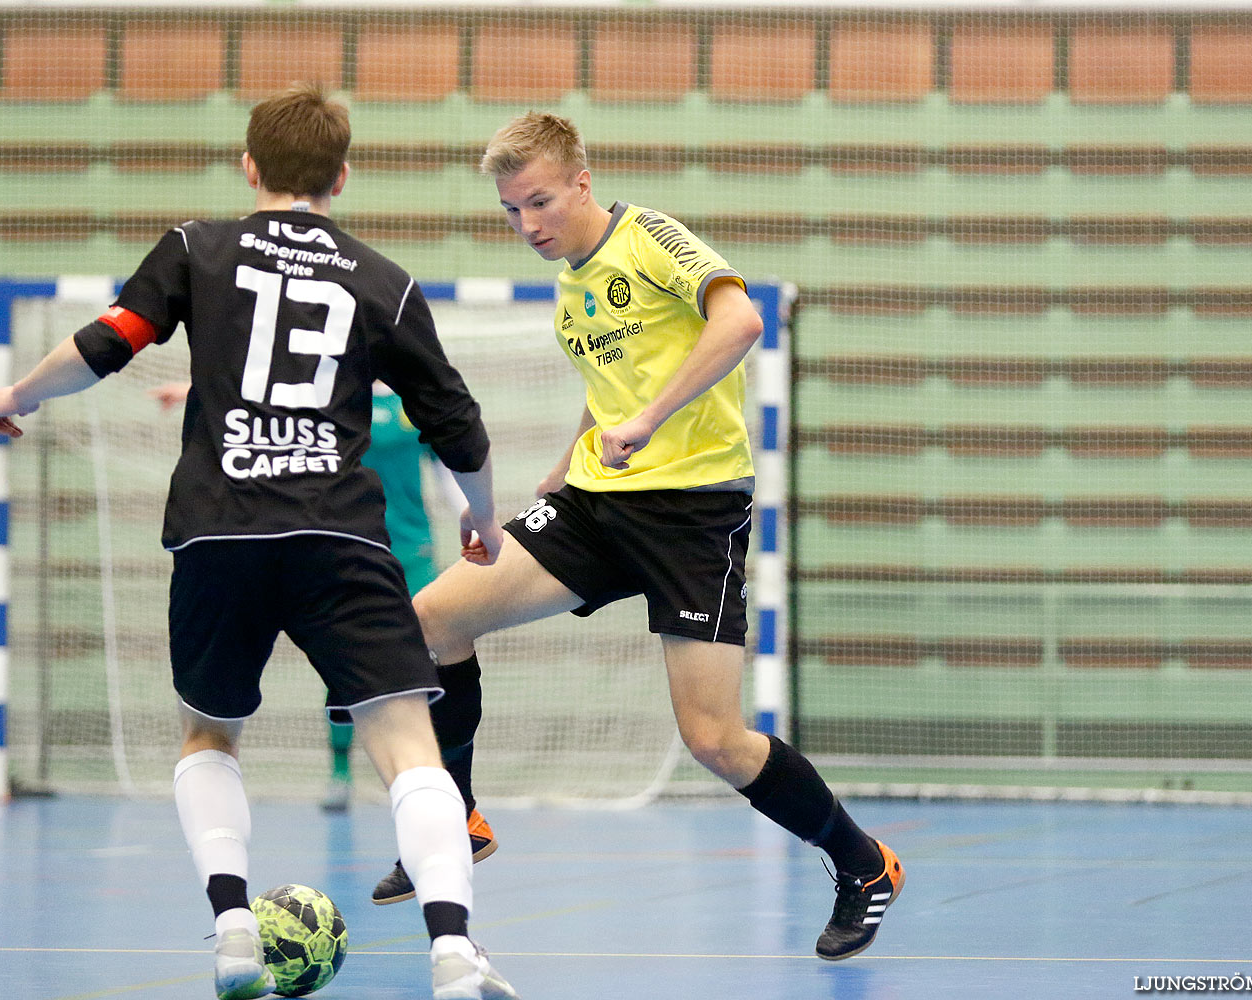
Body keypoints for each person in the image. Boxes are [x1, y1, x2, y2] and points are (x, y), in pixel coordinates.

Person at [0, 84, 518, 1000]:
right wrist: (480, 513)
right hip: (338, 536)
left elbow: (110, 340)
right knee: (408, 745)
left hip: (218, 532)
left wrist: (19, 394)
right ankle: (454, 953)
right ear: (342, 177)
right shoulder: (381, 281)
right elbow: (456, 422)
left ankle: (233, 930)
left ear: (249, 166)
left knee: (209, 735)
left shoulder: (197, 247)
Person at [372, 110, 905, 962]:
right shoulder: (571, 283)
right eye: (512, 211)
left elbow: (739, 324)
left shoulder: (649, 238)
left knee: (714, 740)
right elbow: (614, 383)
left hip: (691, 514)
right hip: (597, 503)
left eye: (540, 201)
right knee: (433, 619)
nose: (529, 225)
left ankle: (862, 863)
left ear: (582, 181)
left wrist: (652, 421)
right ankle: (457, 820)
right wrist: (561, 467)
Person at [154, 376, 496, 848]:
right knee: (342, 665)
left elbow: (448, 468)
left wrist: (476, 518)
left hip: (412, 552)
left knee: (422, 665)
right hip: (348, 549)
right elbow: (258, 372)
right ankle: (340, 774)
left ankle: (431, 781)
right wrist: (195, 384)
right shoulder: (330, 389)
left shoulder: (411, 401)